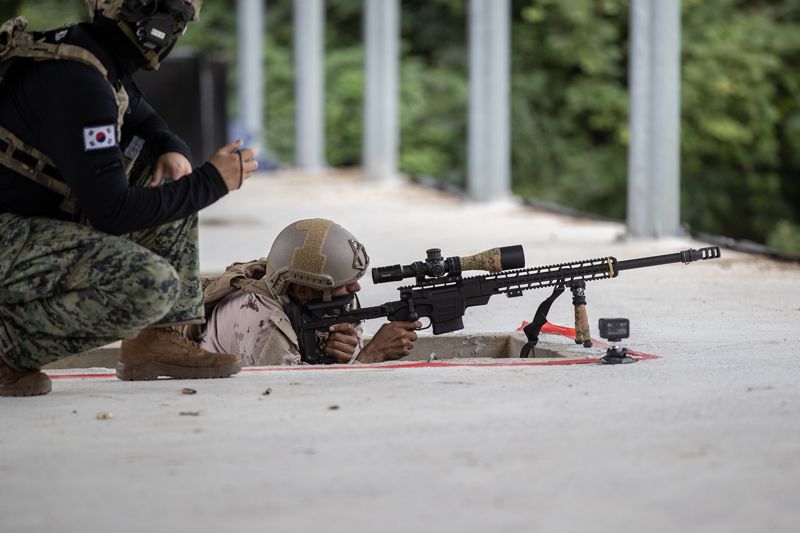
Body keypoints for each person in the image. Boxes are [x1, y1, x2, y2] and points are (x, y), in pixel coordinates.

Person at [0, 0, 259, 397]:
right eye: (174, 16)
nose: (174, 29)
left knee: (165, 167)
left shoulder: (90, 55)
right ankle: (7, 352)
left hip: (21, 222)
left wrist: (171, 148)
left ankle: (154, 341)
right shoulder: (78, 81)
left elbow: (143, 116)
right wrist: (213, 182)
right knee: (146, 284)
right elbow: (112, 212)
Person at [197, 218, 421, 366]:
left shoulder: (334, 295)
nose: (355, 289)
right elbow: (298, 399)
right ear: (303, 290)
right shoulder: (261, 322)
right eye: (345, 284)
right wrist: (371, 355)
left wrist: (346, 356)